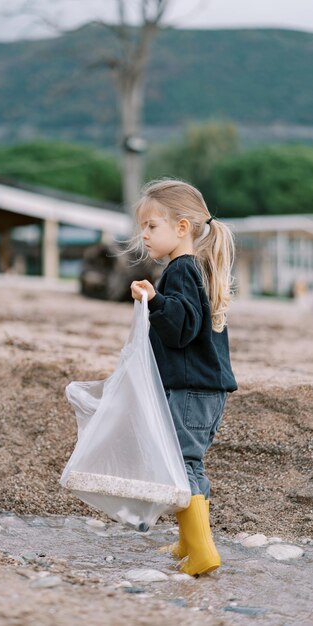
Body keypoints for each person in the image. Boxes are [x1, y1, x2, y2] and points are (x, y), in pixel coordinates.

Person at [130, 179, 237, 577]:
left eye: (152, 226)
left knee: (184, 465)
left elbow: (182, 327)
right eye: (143, 226)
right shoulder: (190, 269)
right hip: (201, 389)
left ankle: (203, 549)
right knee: (184, 463)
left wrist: (155, 301)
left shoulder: (181, 270)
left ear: (182, 227)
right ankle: (189, 541)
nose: (144, 234)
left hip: (195, 391)